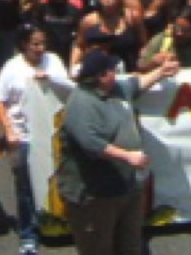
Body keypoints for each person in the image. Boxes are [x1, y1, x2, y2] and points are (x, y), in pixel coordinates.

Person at [56, 49, 179, 255]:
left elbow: (137, 84)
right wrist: (128, 156)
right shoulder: (81, 104)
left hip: (127, 187)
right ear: (101, 76)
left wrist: (161, 72)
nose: (116, 71)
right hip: (95, 195)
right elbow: (91, 143)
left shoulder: (117, 88)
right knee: (98, 247)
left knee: (130, 245)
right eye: (112, 69)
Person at [0, 23, 73, 255]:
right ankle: (28, 234)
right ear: (24, 44)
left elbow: (66, 89)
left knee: (57, 180)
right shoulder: (12, 67)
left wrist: (50, 79)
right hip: (23, 135)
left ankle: (59, 223)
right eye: (35, 44)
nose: (40, 48)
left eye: (43, 43)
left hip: (51, 133)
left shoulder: (54, 61)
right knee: (25, 186)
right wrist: (8, 129)